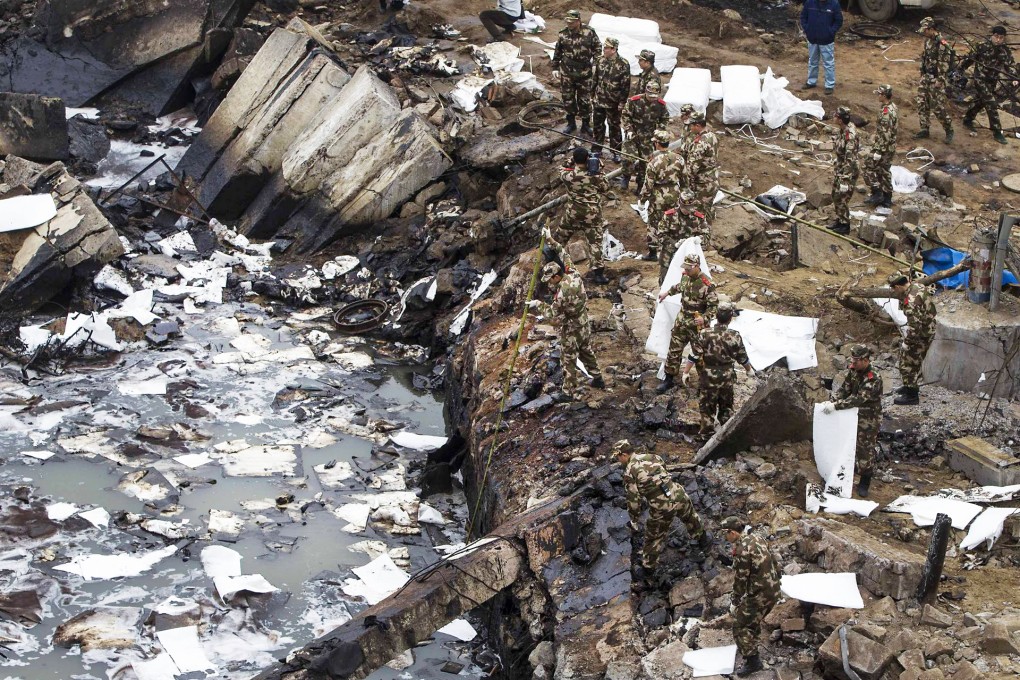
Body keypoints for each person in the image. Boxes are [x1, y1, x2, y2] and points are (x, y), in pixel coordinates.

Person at [615, 439, 709, 579]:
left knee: (654, 537)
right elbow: (664, 470)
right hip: (677, 492)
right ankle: (703, 540)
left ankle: (648, 569)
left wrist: (634, 518)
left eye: (618, 457)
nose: (619, 461)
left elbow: (634, 500)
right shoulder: (652, 456)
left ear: (623, 455)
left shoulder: (630, 472)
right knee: (691, 517)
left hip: (662, 505)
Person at [526, 245, 605, 398]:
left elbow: (552, 313)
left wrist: (538, 304)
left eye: (550, 280)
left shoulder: (562, 294)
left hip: (571, 328)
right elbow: (563, 253)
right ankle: (598, 379)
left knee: (568, 359)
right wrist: (550, 239)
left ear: (556, 276)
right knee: (586, 351)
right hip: (583, 321)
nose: (549, 283)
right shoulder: (573, 273)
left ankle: (569, 391)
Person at [721, 515, 781, 677]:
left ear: (733, 533)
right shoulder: (757, 537)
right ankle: (752, 642)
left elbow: (741, 579)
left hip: (760, 594)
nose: (725, 537)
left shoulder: (741, 550)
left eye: (725, 534)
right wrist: (778, 579)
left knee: (739, 626)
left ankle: (753, 661)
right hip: (773, 589)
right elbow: (774, 559)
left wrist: (734, 601)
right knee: (751, 620)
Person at [820, 344, 883, 497]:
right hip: (850, 415)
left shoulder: (873, 378)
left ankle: (864, 481)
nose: (853, 364)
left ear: (866, 360)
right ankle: (843, 474)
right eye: (853, 360)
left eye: (857, 361)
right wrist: (833, 400)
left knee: (865, 449)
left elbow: (858, 399)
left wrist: (836, 406)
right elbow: (845, 389)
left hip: (868, 418)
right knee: (844, 444)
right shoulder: (854, 370)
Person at [682, 303, 754, 435]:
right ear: (730, 318)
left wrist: (686, 372)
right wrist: (749, 370)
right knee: (726, 407)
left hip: (708, 377)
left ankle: (706, 435)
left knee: (707, 407)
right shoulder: (735, 336)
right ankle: (726, 434)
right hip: (727, 377)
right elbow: (742, 357)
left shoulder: (704, 334)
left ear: (716, 316)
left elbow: (694, 355)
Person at [657, 253, 718, 392]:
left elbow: (714, 307)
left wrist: (705, 317)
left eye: (689, 268)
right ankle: (669, 378)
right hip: (682, 321)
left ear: (696, 266)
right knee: (674, 350)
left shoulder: (707, 284)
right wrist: (667, 293)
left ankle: (704, 383)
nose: (686, 271)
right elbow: (680, 286)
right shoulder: (686, 276)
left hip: (697, 325)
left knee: (700, 355)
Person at [557, 146, 610, 284]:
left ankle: (552, 259)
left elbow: (561, 168)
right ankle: (598, 275)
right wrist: (600, 169)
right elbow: (606, 188)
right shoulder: (595, 176)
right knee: (595, 243)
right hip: (592, 215)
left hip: (573, 213)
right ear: (588, 159)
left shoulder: (568, 176)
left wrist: (570, 160)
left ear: (574, 160)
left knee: (561, 235)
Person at [960, 25, 1018, 145]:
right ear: (992, 35)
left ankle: (968, 118)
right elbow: (969, 59)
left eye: (1001, 38)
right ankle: (997, 131)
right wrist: (959, 70)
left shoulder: (1004, 50)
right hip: (979, 79)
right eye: (996, 36)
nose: (998, 40)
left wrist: (1014, 78)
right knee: (991, 103)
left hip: (992, 80)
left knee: (981, 101)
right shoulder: (982, 46)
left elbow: (1010, 66)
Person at [887, 271, 937, 405]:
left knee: (907, 363)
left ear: (897, 287)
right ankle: (908, 385)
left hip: (921, 335)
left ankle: (912, 395)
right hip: (929, 327)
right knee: (912, 361)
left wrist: (907, 343)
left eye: (893, 288)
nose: (893, 291)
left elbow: (915, 328)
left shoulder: (910, 302)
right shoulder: (918, 286)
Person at [552, 9, 600, 135]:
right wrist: (555, 67)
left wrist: (596, 64)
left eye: (572, 22)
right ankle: (571, 123)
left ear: (578, 21)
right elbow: (558, 51)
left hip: (584, 72)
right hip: (567, 72)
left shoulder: (589, 32)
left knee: (584, 99)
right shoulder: (563, 34)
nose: (569, 24)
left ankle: (585, 124)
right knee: (568, 98)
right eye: (568, 21)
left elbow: (597, 49)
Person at [618, 81, 670, 195]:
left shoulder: (661, 105)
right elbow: (625, 115)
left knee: (646, 162)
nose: (652, 98)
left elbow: (665, 119)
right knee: (628, 157)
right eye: (650, 95)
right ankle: (625, 177)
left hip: (649, 137)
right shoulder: (634, 101)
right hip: (633, 134)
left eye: (655, 96)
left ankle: (641, 184)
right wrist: (629, 129)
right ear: (646, 92)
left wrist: (660, 129)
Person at [639, 130, 683, 264]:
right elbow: (685, 179)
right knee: (672, 221)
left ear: (657, 144)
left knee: (653, 223)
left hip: (658, 196)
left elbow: (648, 185)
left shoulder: (653, 162)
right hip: (674, 193)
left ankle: (653, 252)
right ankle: (673, 250)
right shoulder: (679, 159)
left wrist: (642, 200)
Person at [915, 16, 955, 143]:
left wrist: (940, 79)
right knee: (922, 103)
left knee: (937, 106)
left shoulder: (941, 43)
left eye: (925, 30)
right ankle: (924, 128)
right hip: (926, 76)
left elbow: (944, 63)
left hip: (936, 79)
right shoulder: (928, 40)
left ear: (932, 29)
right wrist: (922, 72)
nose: (923, 32)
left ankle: (949, 130)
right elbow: (925, 57)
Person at [591, 37, 631, 159]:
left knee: (614, 126)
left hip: (613, 102)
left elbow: (626, 85)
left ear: (614, 49)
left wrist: (622, 102)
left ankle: (616, 151)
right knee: (598, 125)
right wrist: (592, 94)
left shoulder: (623, 64)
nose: (604, 50)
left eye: (607, 48)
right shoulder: (600, 60)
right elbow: (595, 79)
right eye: (604, 47)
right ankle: (597, 149)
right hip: (599, 100)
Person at [659, 189, 709, 284]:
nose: (686, 210)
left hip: (690, 257)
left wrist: (698, 239)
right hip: (669, 255)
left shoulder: (698, 218)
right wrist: (675, 244)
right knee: (666, 281)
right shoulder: (669, 216)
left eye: (689, 207)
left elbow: (706, 235)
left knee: (690, 284)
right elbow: (661, 235)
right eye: (684, 207)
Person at [864, 85, 898, 209]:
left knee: (868, 168)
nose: (877, 96)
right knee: (884, 171)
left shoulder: (886, 112)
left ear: (884, 96)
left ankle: (877, 192)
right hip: (889, 147)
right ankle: (886, 198)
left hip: (884, 148)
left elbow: (886, 133)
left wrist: (878, 151)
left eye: (879, 94)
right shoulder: (892, 107)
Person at [799, 0, 842, 95]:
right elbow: (803, 17)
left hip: (826, 40)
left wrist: (831, 32)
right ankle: (811, 82)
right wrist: (807, 29)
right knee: (813, 61)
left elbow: (838, 21)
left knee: (828, 63)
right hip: (812, 38)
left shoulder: (834, 4)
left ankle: (829, 85)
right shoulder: (810, 3)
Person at [829, 105, 859, 236]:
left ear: (840, 119)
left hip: (848, 171)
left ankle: (845, 225)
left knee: (842, 197)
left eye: (836, 116)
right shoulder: (843, 130)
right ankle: (840, 219)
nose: (833, 117)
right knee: (835, 195)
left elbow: (850, 159)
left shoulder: (850, 135)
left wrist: (845, 180)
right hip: (841, 167)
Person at [685, 111, 720, 221]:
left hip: (703, 185)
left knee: (698, 214)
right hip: (713, 179)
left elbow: (692, 169)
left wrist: (684, 183)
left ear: (698, 125)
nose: (690, 128)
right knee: (707, 208)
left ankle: (703, 234)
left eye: (691, 125)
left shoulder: (700, 144)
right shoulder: (712, 135)